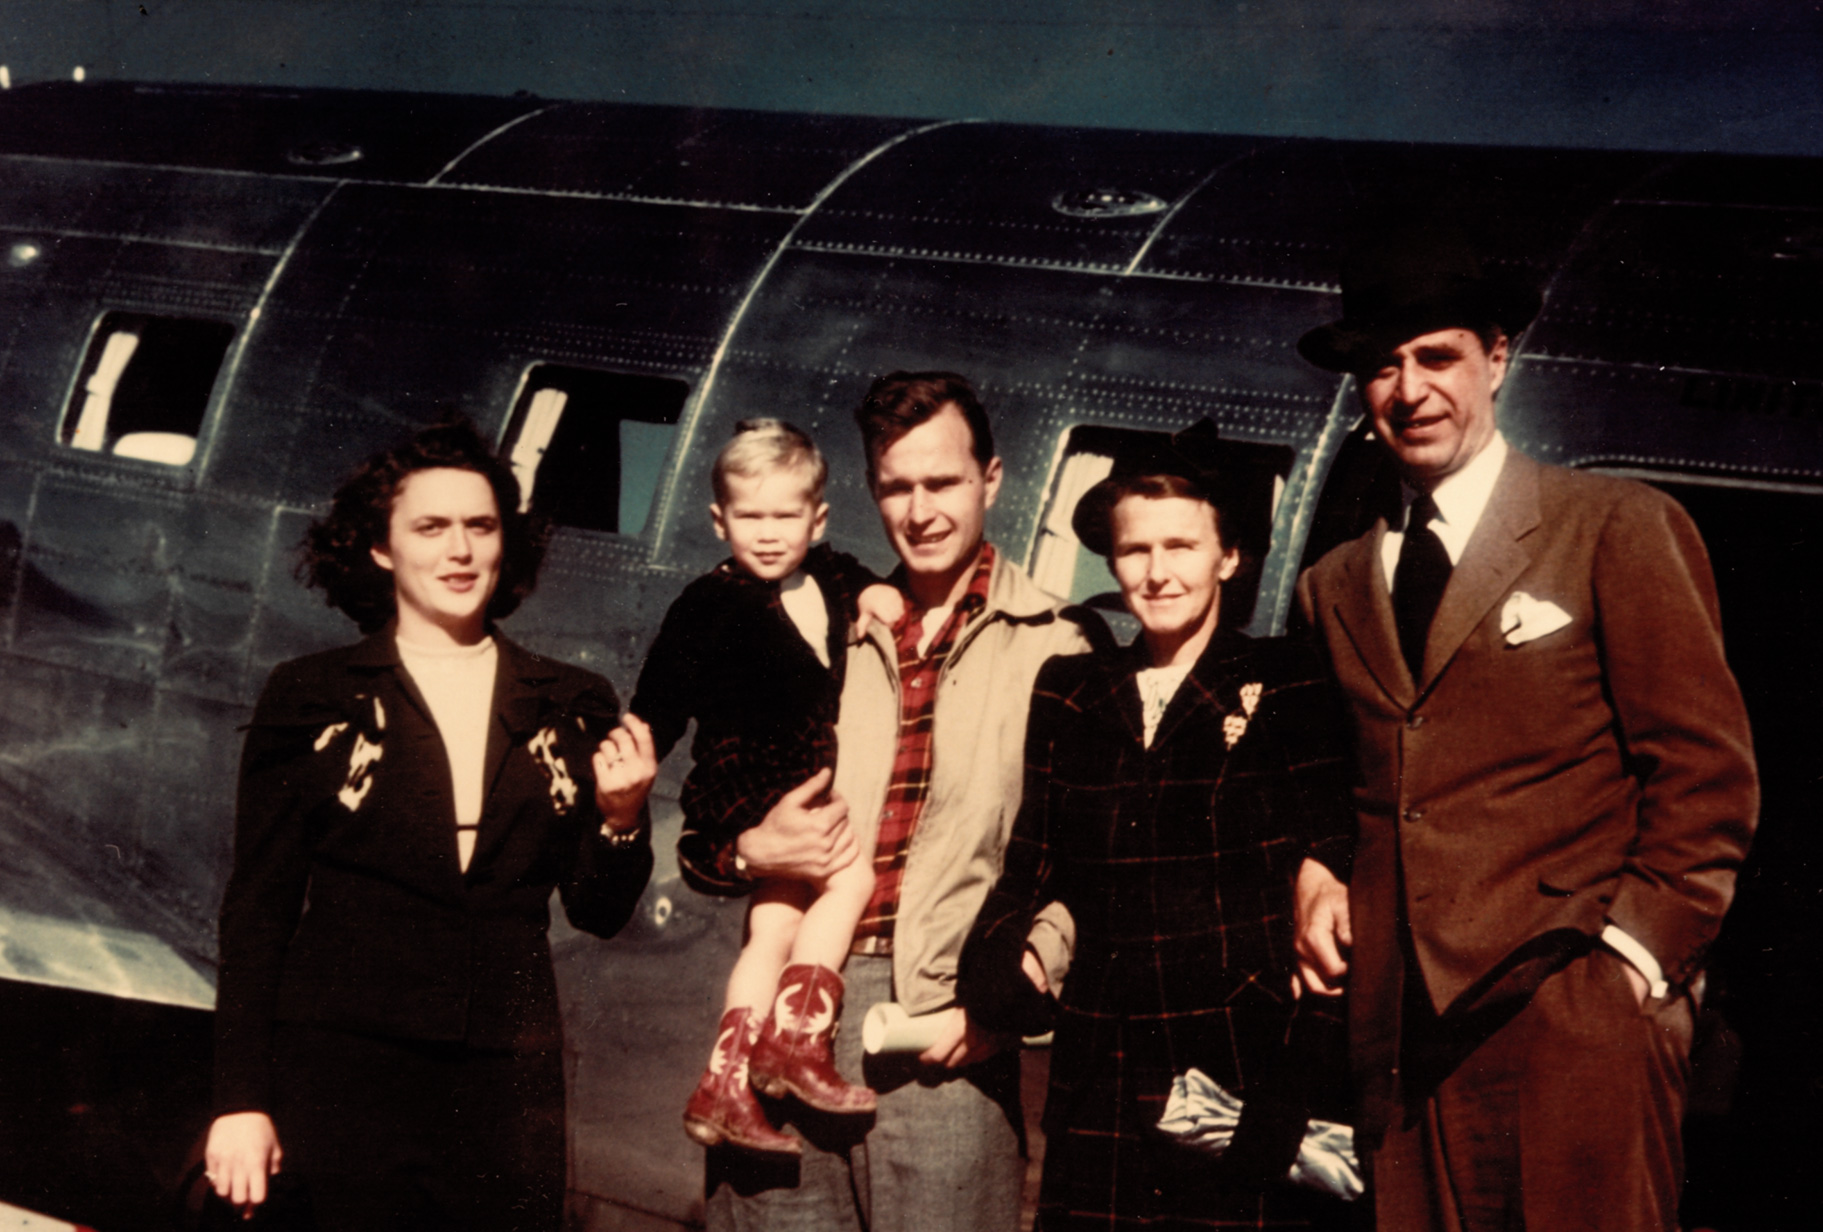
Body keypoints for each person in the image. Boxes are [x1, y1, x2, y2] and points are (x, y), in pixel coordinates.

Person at [1290, 226, 1760, 1231]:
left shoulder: (1612, 524)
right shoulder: (1333, 585)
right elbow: (1346, 781)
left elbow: (1707, 774)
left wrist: (1629, 965)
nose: (1409, 389)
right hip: (1404, 1040)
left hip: (1571, 1013)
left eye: (1436, 356)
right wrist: (1320, 867)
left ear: (1498, 357)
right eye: (1381, 365)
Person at [202, 419, 657, 1230]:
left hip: (505, 1082)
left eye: (480, 527)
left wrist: (621, 818)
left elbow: (597, 909)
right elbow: (258, 909)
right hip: (343, 1069)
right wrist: (241, 1100)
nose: (460, 551)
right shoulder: (312, 696)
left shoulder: (570, 700)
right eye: (431, 527)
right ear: (381, 549)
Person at [693, 372, 1104, 1232]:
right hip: (790, 1013)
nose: (919, 511)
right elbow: (712, 814)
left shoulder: (1061, 645)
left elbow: (1091, 857)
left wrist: (1010, 1000)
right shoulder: (823, 626)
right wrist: (747, 852)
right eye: (895, 487)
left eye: (943, 482)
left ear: (990, 479)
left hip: (941, 1028)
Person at [956, 430, 1357, 1231]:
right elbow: (1034, 860)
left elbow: (1333, 863)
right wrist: (998, 967)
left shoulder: (1286, 681)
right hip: (1099, 1075)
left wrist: (1293, 1091)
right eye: (1134, 548)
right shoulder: (1073, 689)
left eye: (1182, 544)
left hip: (1240, 1074)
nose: (1157, 571)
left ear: (1230, 557)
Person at [629, 418, 902, 1154]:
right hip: (749, 784)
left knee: (773, 926)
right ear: (719, 519)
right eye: (750, 516)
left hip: (796, 784)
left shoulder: (831, 574)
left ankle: (723, 1086)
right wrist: (633, 765)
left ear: (817, 518)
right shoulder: (706, 606)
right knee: (850, 880)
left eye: (787, 515)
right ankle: (797, 1044)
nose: (770, 533)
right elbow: (656, 705)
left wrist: (878, 595)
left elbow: (856, 577)